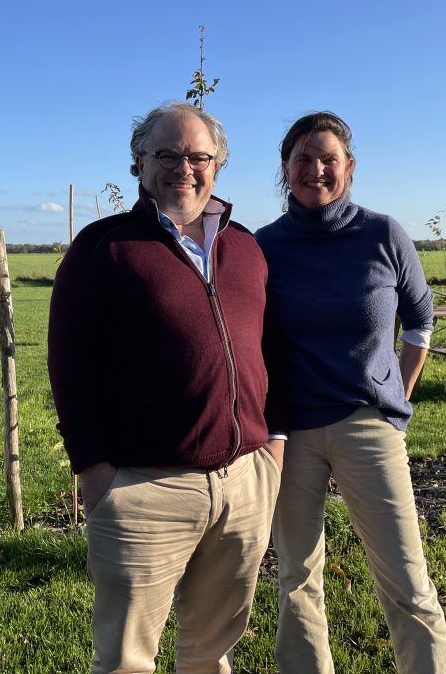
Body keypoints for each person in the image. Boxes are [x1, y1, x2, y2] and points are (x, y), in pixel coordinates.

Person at [47, 101, 284, 674]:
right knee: (128, 661)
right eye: (167, 154)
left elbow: (272, 349)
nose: (185, 167)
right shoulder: (102, 248)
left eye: (198, 155)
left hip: (244, 485)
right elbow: (69, 365)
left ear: (217, 166)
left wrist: (272, 450)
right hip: (142, 490)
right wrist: (95, 472)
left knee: (212, 652)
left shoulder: (246, 248)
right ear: (138, 164)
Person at [255, 111, 446, 674]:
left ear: (349, 166)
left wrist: (395, 391)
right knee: (295, 578)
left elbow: (421, 318)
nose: (315, 169)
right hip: (290, 432)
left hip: (367, 425)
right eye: (303, 158)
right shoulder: (263, 247)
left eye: (328, 158)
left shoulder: (382, 234)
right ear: (285, 168)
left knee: (406, 578)